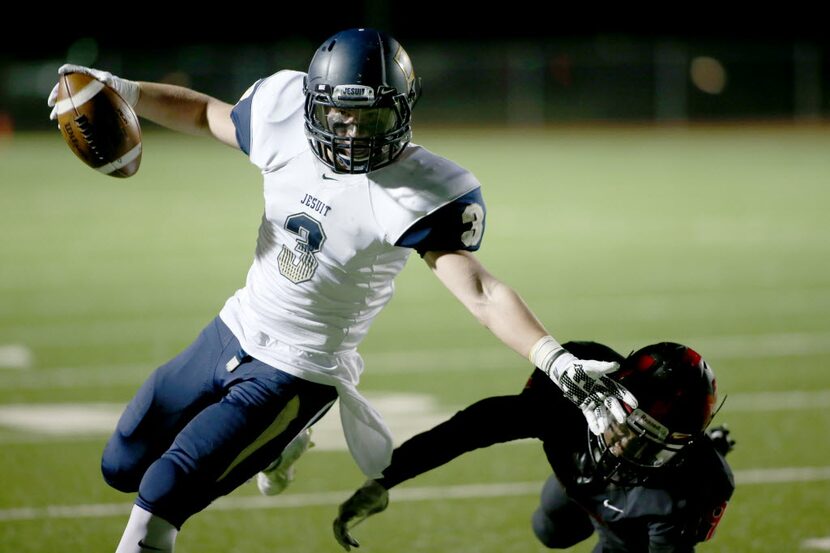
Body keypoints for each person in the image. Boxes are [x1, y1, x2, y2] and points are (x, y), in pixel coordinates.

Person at [47, 28, 637, 553]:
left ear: (402, 110)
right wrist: (123, 89)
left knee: (162, 494)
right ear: (311, 105)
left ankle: (287, 426)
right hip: (235, 324)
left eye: (370, 118)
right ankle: (285, 444)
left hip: (300, 367)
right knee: (121, 463)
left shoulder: (422, 187)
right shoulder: (280, 111)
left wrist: (551, 357)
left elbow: (479, 289)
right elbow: (205, 115)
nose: (352, 132)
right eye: (339, 117)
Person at [333, 341, 736, 553]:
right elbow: (471, 427)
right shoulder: (567, 404)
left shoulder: (691, 488)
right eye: (629, 428)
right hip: (573, 481)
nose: (627, 452)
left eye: (653, 447)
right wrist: (384, 480)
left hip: (627, 520)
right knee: (549, 532)